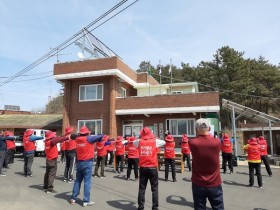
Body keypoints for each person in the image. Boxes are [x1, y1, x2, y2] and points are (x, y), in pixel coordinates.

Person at [189, 118, 224, 210]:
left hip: (198, 183)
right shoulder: (217, 142)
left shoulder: (192, 142)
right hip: (215, 183)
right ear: (209, 129)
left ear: (196, 130)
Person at [70, 125, 104, 207]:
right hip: (87, 162)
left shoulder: (77, 139)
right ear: (87, 133)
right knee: (87, 182)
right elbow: (101, 136)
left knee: (78, 180)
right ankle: (86, 201)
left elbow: (72, 136)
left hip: (79, 162)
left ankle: (73, 198)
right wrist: (100, 135)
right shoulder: (89, 139)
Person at [133, 127, 165, 210]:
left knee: (142, 189)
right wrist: (152, 138)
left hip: (143, 168)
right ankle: (155, 207)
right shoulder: (155, 141)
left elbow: (133, 142)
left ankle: (141, 207)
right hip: (153, 168)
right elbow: (164, 142)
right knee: (154, 189)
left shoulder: (139, 141)